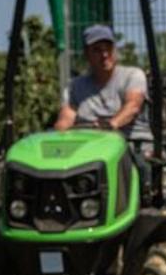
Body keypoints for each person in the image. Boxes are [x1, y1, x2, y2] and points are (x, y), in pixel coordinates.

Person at [55, 24, 154, 201]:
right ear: (86, 54)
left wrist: (111, 125)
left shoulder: (132, 75)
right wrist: (57, 138)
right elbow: (65, 119)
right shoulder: (75, 86)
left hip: (131, 143)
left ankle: (144, 198)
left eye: (108, 48)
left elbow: (133, 106)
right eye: (97, 50)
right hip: (88, 147)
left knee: (140, 165)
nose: (105, 54)